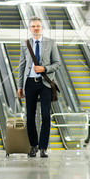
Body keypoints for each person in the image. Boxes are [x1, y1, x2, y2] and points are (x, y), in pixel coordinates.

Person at [17, 16, 61, 158]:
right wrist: (20, 87)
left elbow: (57, 64)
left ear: (42, 28)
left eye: (38, 26)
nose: (36, 28)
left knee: (46, 116)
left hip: (46, 84)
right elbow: (22, 66)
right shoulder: (25, 44)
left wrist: (44, 69)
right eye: (33, 26)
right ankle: (33, 145)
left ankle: (43, 147)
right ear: (30, 29)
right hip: (29, 83)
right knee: (30, 117)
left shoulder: (51, 43)